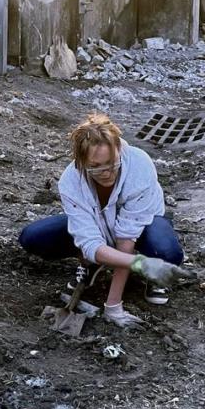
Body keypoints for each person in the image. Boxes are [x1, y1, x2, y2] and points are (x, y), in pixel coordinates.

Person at [19, 113, 190, 327]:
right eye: (96, 167)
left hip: (143, 227)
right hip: (98, 227)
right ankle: (92, 263)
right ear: (80, 162)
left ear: (119, 149)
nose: (107, 173)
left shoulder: (139, 165)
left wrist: (113, 306)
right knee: (33, 237)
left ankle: (153, 276)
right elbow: (89, 239)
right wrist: (139, 264)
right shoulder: (71, 181)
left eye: (111, 163)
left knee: (167, 253)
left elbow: (126, 238)